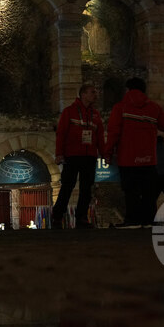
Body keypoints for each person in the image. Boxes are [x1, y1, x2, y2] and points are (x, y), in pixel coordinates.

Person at [105, 77, 164, 228]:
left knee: (131, 191)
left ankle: (133, 221)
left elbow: (113, 132)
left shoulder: (120, 107)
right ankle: (148, 221)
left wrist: (107, 152)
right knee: (148, 192)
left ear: (128, 90)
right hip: (148, 159)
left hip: (127, 158)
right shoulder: (153, 108)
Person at [52, 83, 104, 229]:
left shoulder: (96, 114)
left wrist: (105, 154)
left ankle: (81, 217)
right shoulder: (69, 111)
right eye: (92, 92)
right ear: (83, 94)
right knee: (67, 186)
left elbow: (99, 135)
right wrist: (59, 154)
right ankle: (57, 215)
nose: (96, 95)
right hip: (72, 155)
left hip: (90, 156)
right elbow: (61, 133)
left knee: (86, 188)